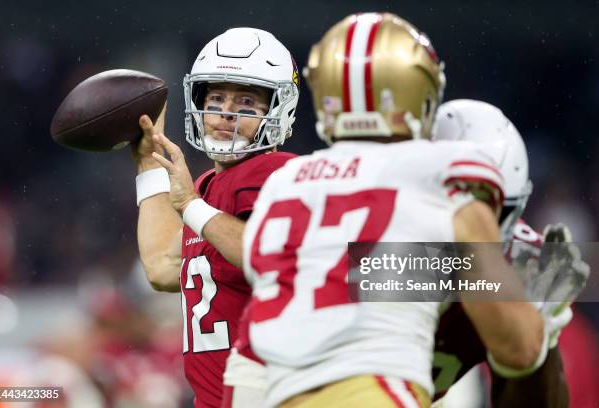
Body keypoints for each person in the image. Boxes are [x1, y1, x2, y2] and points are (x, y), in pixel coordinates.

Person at [239, 13, 548, 408]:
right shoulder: (446, 169)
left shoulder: (285, 180)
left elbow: (351, 268)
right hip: (378, 392)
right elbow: (516, 348)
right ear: (418, 89)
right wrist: (539, 320)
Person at [132, 27, 299, 408]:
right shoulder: (209, 185)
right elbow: (162, 266)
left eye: (246, 101)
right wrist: (148, 162)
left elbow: (268, 255)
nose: (225, 112)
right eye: (217, 97)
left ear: (278, 110)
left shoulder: (274, 170)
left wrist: (190, 204)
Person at [431, 99, 590, 407]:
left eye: (487, 208)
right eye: (450, 203)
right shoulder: (377, 251)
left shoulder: (519, 264)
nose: (467, 223)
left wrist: (539, 342)